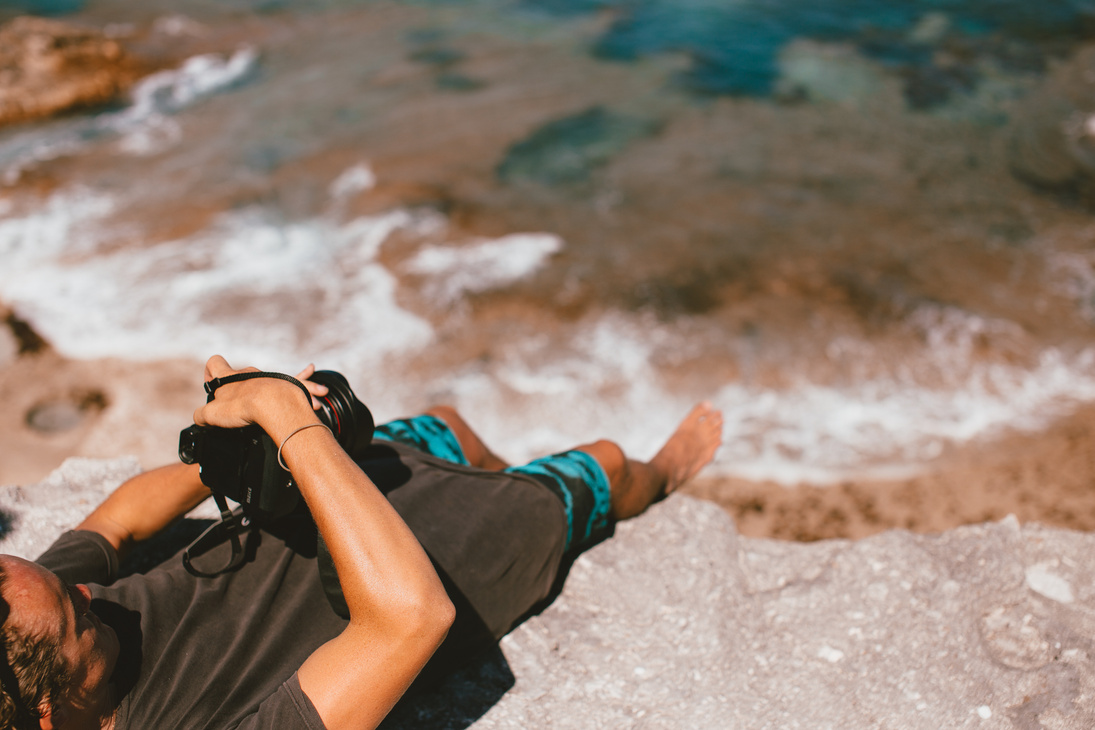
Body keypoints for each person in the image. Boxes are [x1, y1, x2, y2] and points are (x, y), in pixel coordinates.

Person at [0, 355, 723, 730]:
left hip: (325, 502)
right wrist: (293, 427)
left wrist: (237, 444)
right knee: (606, 463)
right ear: (46, 709)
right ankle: (665, 475)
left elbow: (114, 523)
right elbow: (410, 617)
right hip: (419, 571)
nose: (89, 594)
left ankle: (485, 472)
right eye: (83, 616)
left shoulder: (31, 607)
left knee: (446, 423)